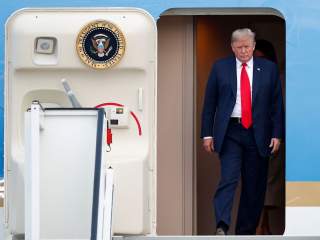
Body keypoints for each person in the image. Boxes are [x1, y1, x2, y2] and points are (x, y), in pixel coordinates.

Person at [201, 28, 284, 235]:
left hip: (259, 133)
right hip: (231, 131)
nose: (244, 51)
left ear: (254, 46)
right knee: (229, 178)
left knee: (254, 187)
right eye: (239, 47)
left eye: (247, 47)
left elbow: (276, 105)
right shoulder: (220, 67)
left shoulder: (269, 69)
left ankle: (245, 233)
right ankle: (221, 225)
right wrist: (207, 134)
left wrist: (276, 134)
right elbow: (210, 103)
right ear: (232, 47)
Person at [254, 39, 285, 235]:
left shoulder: (280, 79)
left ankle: (261, 228)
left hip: (274, 139)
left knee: (267, 186)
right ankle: (262, 228)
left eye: (261, 58)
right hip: (253, 140)